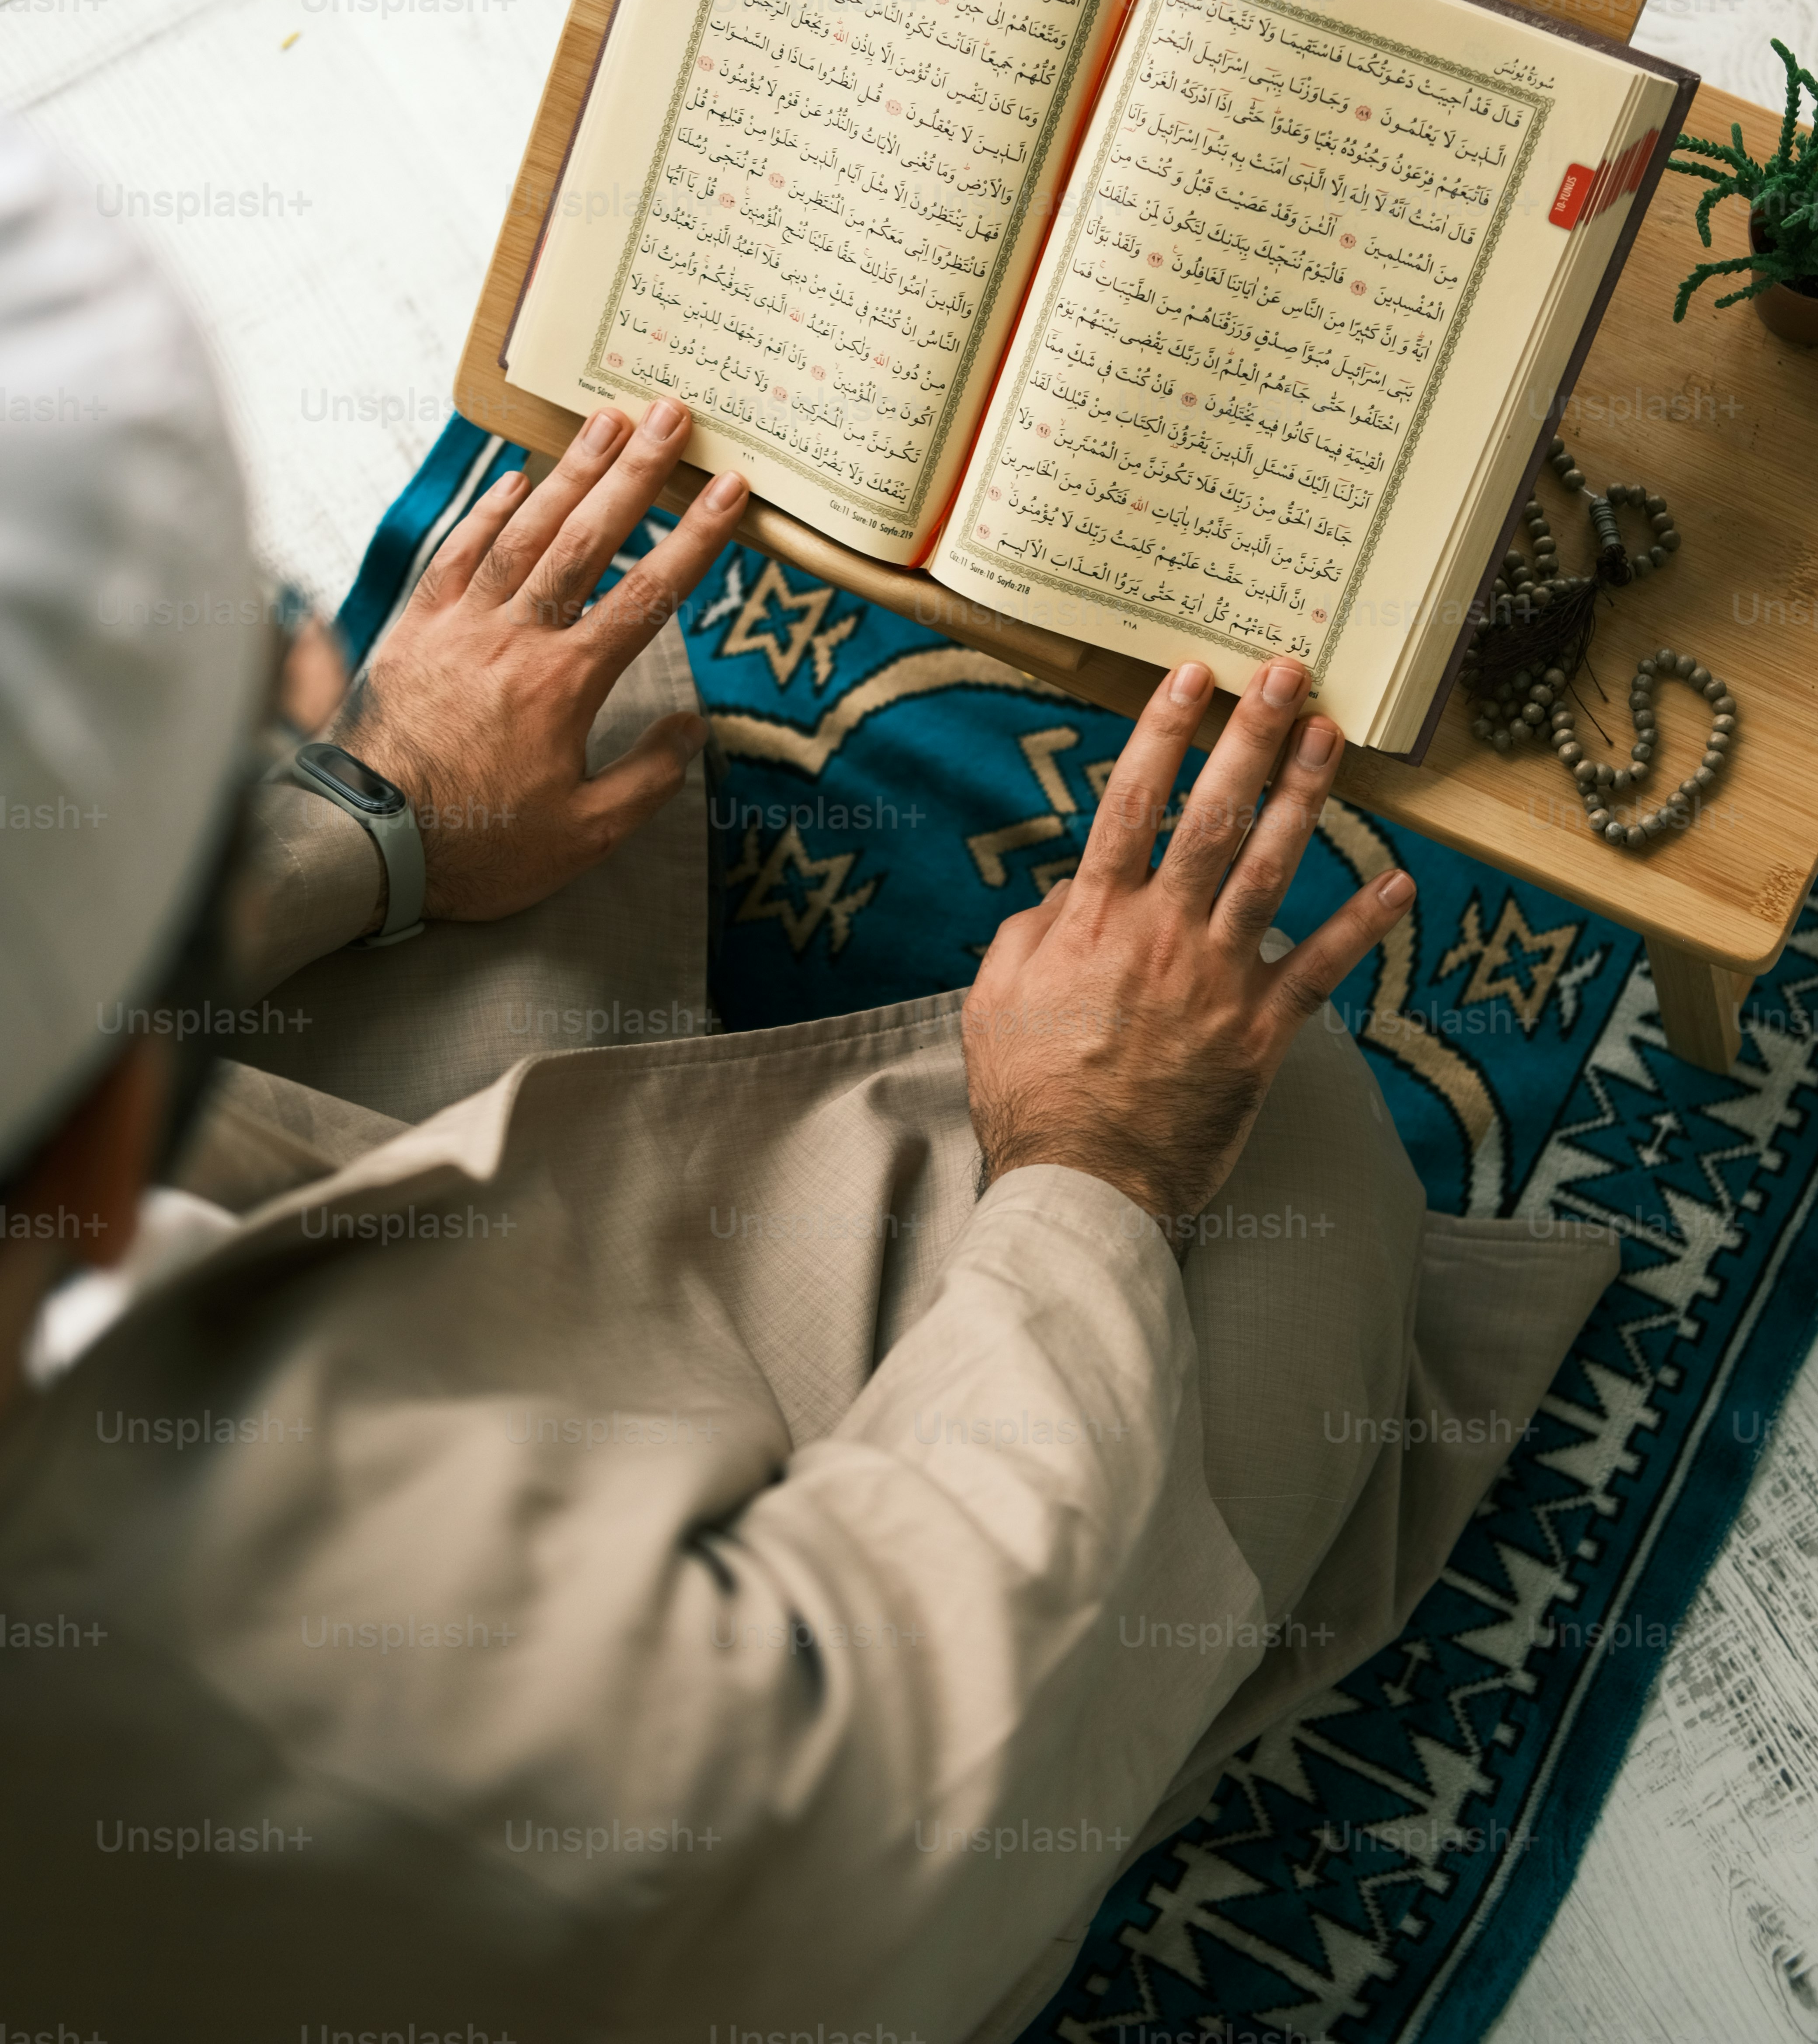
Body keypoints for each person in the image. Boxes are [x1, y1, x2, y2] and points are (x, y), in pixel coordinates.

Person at [0, 127, 1616, 2044]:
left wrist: (364, 813)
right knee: (1288, 1122)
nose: (298, 663)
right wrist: (1084, 1169)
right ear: (105, 1114)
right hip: (804, 1806)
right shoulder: (336, 1701)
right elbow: (886, 1763)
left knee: (566, 690)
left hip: (338, 1264)